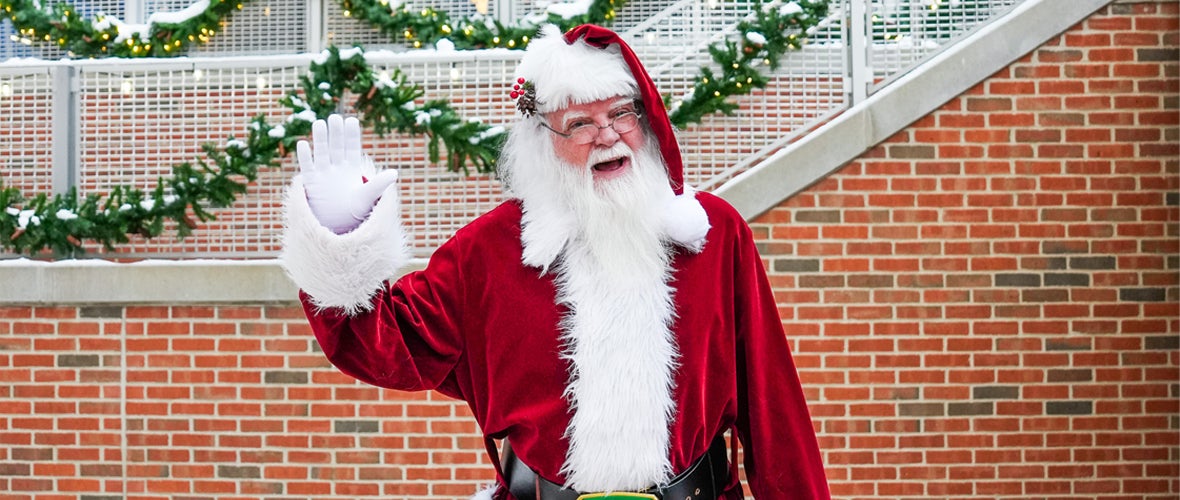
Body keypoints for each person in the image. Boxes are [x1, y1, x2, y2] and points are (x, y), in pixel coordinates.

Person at [280, 24, 829, 500]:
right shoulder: (489, 253)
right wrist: (341, 241)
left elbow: (772, 404)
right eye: (580, 124)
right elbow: (385, 345)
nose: (608, 135)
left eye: (621, 113)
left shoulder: (713, 235)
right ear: (543, 142)